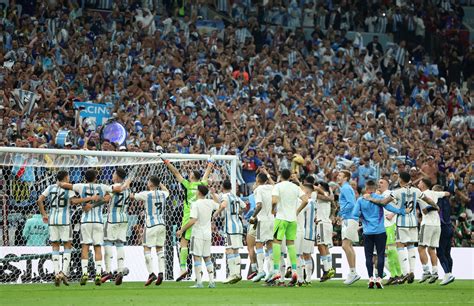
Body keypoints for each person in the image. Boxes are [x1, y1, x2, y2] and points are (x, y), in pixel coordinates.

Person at [364, 172, 436, 284]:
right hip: (413, 222)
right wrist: (436, 206)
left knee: (400, 246)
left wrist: (371, 199)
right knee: (411, 246)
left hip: (401, 222)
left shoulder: (397, 192)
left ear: (401, 180)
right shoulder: (416, 191)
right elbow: (428, 200)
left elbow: (383, 202)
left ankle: (406, 272)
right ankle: (412, 271)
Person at [164, 158, 213, 281]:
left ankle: (182, 268)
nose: (189, 174)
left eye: (190, 173)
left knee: (184, 243)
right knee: (198, 247)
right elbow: (207, 173)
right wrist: (210, 163)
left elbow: (176, 173)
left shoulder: (187, 184)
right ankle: (200, 272)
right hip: (201, 219)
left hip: (188, 218)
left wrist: (167, 162)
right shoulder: (202, 185)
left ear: (192, 177)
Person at [357, 180, 408, 289]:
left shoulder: (361, 200)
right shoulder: (380, 199)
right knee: (381, 255)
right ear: (375, 189)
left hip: (367, 232)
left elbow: (355, 214)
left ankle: (371, 278)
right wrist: (403, 211)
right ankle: (379, 279)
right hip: (380, 231)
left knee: (369, 256)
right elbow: (391, 208)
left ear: (366, 188)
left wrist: (363, 217)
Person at [267, 169, 307, 286]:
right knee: (291, 245)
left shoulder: (278, 186)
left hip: (281, 218)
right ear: (290, 176)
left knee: (276, 244)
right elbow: (305, 200)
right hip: (292, 220)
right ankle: (294, 271)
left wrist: (272, 209)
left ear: (280, 175)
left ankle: (277, 273)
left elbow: (274, 200)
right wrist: (297, 211)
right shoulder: (295, 187)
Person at [37, 170, 77, 286]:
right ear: (65, 178)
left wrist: (44, 214)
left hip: (52, 219)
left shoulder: (50, 187)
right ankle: (63, 273)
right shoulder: (67, 188)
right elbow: (73, 201)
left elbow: (39, 200)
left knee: (55, 246)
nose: (69, 178)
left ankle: (56, 272)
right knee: (67, 245)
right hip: (64, 220)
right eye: (68, 176)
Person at [176, 185, 218, 289]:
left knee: (197, 257)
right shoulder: (210, 202)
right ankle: (212, 282)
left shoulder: (195, 204)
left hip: (198, 234)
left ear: (199, 192)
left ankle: (199, 282)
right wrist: (213, 193)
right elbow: (220, 205)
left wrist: (182, 230)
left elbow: (193, 220)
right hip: (208, 233)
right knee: (207, 257)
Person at [131, 176, 170, 286]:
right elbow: (167, 191)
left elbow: (133, 197)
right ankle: (161, 272)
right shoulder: (163, 194)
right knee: (159, 249)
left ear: (150, 184)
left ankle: (151, 273)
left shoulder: (146, 194)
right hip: (162, 224)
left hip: (150, 224)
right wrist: (160, 184)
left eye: (148, 181)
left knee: (147, 248)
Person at [101, 168, 132, 285]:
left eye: (113, 173)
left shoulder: (113, 187)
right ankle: (120, 270)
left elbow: (106, 199)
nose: (112, 175)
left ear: (117, 176)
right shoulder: (128, 189)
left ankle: (108, 271)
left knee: (108, 242)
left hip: (112, 218)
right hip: (124, 218)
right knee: (120, 244)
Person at [213, 179, 246, 284]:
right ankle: (237, 273)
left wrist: (216, 213)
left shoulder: (225, 196)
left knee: (229, 250)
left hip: (230, 228)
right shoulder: (235, 196)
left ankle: (232, 274)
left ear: (223, 187)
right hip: (238, 227)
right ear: (231, 188)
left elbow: (223, 205)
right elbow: (244, 206)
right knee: (236, 250)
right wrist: (237, 213)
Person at [417, 178, 450, 284]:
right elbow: (447, 193)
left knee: (421, 248)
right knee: (431, 249)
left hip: (427, 224)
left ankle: (426, 271)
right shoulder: (435, 193)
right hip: (437, 225)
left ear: (423, 184)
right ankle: (435, 272)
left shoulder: (420, 194)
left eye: (419, 182)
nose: (418, 184)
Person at [249, 170, 275, 282]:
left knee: (258, 244)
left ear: (257, 180)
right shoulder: (271, 187)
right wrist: (268, 175)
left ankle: (261, 271)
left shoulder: (258, 190)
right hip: (272, 219)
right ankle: (273, 271)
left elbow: (259, 205)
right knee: (270, 245)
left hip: (262, 219)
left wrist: (253, 217)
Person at [337, 170, 361, 285]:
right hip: (350, 218)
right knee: (348, 246)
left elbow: (351, 203)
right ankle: (353, 272)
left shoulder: (345, 188)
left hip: (349, 218)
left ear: (345, 178)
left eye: (340, 175)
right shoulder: (346, 188)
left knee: (345, 245)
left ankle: (353, 272)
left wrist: (341, 213)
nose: (338, 177)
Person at [377, 178, 402, 286]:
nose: (379, 184)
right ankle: (394, 275)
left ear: (387, 184)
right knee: (388, 251)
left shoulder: (390, 193)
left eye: (381, 182)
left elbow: (401, 204)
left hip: (390, 225)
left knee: (391, 250)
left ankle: (399, 275)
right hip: (384, 226)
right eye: (378, 183)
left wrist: (393, 214)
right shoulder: (381, 195)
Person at [315, 181, 337, 282]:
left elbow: (331, 200)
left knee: (321, 246)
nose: (316, 187)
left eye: (319, 186)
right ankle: (329, 268)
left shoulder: (321, 196)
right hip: (326, 223)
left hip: (322, 223)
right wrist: (332, 216)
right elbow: (334, 206)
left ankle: (327, 269)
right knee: (325, 246)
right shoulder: (327, 195)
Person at [435, 185, 456, 286]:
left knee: (440, 252)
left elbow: (437, 210)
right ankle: (449, 274)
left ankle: (447, 274)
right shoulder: (446, 201)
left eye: (434, 191)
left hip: (443, 228)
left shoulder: (439, 200)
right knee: (447, 253)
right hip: (449, 227)